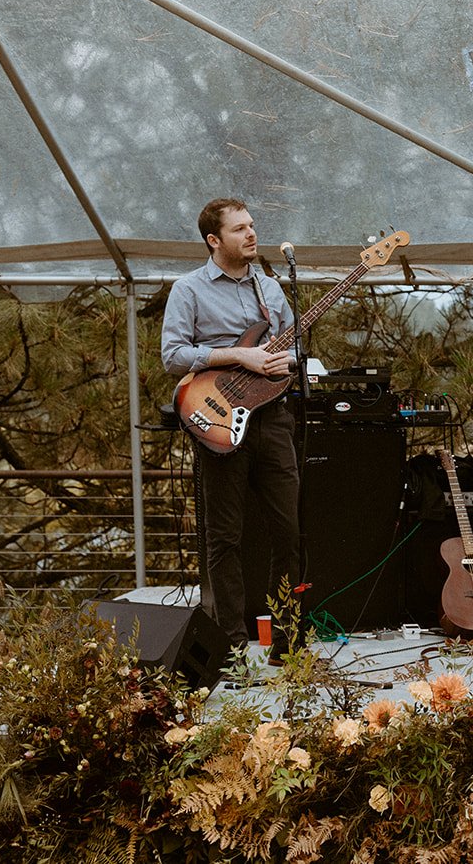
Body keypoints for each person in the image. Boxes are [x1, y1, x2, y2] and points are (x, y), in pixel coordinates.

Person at [161, 198, 301, 660]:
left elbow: (294, 347)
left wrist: (287, 360)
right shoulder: (189, 289)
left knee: (288, 532)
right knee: (224, 538)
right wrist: (239, 355)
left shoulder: (270, 288)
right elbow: (173, 355)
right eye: (239, 228)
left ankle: (287, 644)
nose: (251, 234)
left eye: (252, 225)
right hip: (218, 420)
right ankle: (233, 650)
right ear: (214, 240)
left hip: (273, 419)